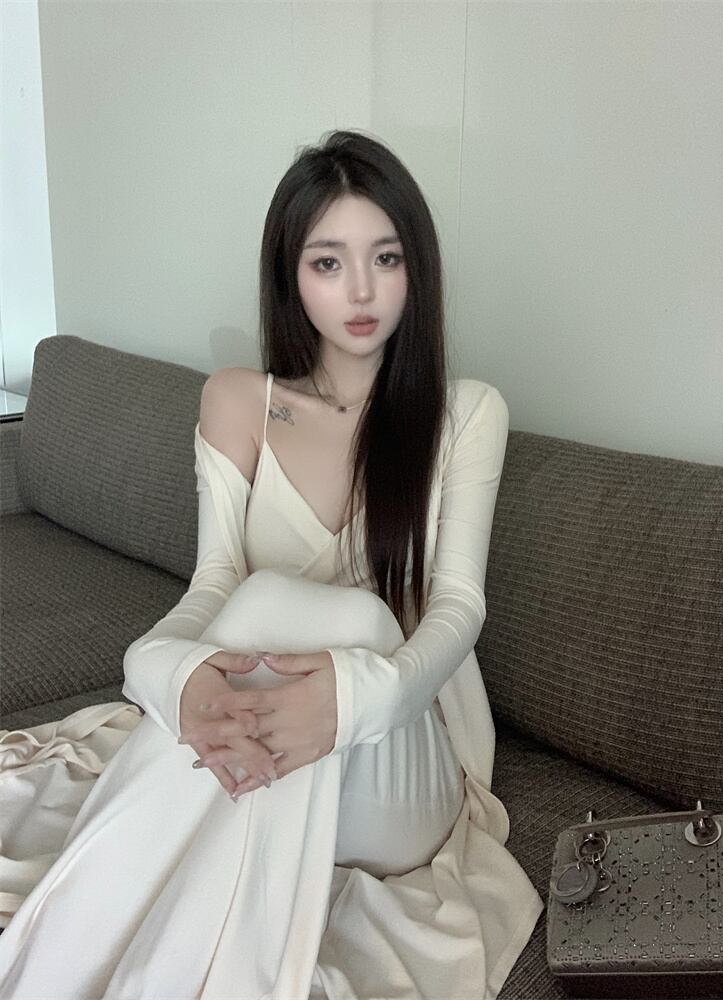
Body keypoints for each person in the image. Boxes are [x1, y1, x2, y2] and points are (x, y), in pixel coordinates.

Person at [0, 130, 542, 998]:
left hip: (399, 766)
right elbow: (212, 585)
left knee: (353, 617)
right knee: (252, 607)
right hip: (260, 742)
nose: (361, 290)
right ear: (291, 275)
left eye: (387, 258)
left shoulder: (466, 414)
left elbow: (458, 607)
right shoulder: (238, 401)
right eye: (329, 262)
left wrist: (355, 694)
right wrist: (166, 671)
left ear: (417, 269)